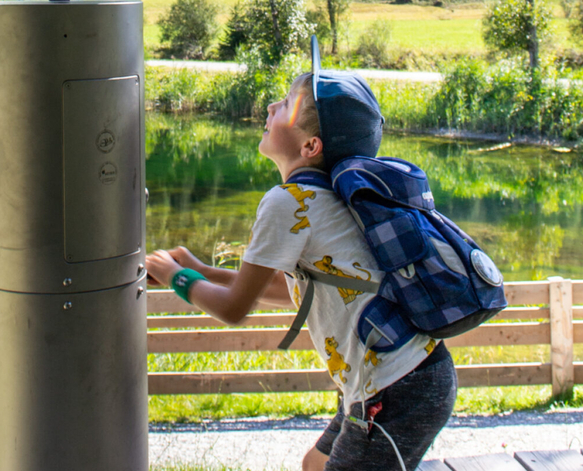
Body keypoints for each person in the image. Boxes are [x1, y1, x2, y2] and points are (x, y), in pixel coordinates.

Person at [146, 51, 456, 471]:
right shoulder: (327, 195)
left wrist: (176, 276)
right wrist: (201, 270)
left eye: (286, 105)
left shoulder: (288, 202)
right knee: (315, 466)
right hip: (403, 378)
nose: (272, 107)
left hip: (395, 389)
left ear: (311, 146)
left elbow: (235, 308)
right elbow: (283, 287)